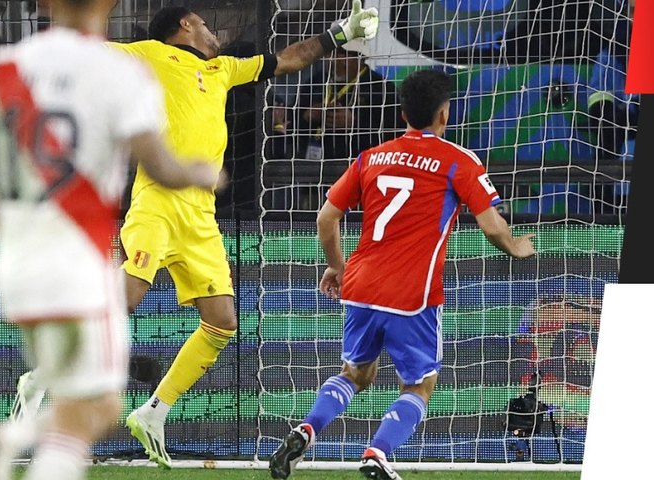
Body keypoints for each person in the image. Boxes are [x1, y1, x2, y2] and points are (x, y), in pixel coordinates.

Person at [0, 0, 219, 479]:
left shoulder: (6, 64)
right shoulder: (118, 72)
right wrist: (203, 171)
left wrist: (0, 223)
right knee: (95, 410)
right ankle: (11, 440)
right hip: (78, 263)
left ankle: (10, 439)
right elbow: (162, 166)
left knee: (87, 402)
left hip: (17, 264)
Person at [102, 0, 379, 469]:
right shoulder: (149, 54)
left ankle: (153, 412)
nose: (214, 33)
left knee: (223, 322)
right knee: (127, 299)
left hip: (201, 216)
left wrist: (338, 34)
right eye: (206, 24)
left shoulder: (224, 68)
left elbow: (287, 59)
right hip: (158, 200)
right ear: (185, 25)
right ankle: (52, 370)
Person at [268, 69, 537, 480]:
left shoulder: (371, 157)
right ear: (443, 115)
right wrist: (517, 246)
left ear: (402, 112)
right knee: (419, 384)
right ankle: (376, 453)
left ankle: (307, 429)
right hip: (412, 293)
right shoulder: (458, 161)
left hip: (359, 285)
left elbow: (326, 221)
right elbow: (492, 225)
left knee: (355, 373)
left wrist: (339, 269)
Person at [270, 46, 404, 164]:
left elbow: (395, 135)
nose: (335, 60)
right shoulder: (316, 83)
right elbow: (291, 128)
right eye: (331, 54)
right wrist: (306, 116)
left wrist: (355, 125)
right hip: (313, 173)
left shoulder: (381, 88)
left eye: (342, 54)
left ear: (360, 57)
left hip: (359, 169)